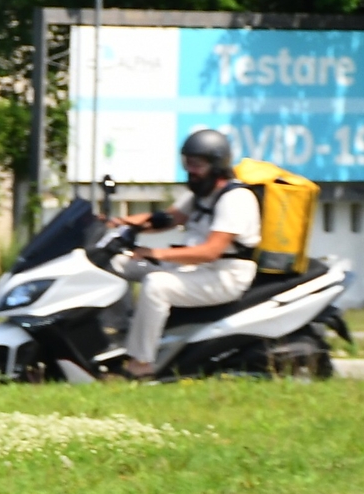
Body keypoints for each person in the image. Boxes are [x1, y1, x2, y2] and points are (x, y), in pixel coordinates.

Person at [109, 129, 260, 378]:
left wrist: (155, 253)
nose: (190, 170)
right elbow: (165, 219)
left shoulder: (236, 199)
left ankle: (141, 363)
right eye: (187, 163)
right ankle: (115, 332)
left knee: (157, 285)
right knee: (116, 263)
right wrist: (117, 223)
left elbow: (211, 251)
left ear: (216, 165)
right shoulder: (201, 194)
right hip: (194, 269)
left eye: (196, 164)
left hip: (224, 276)